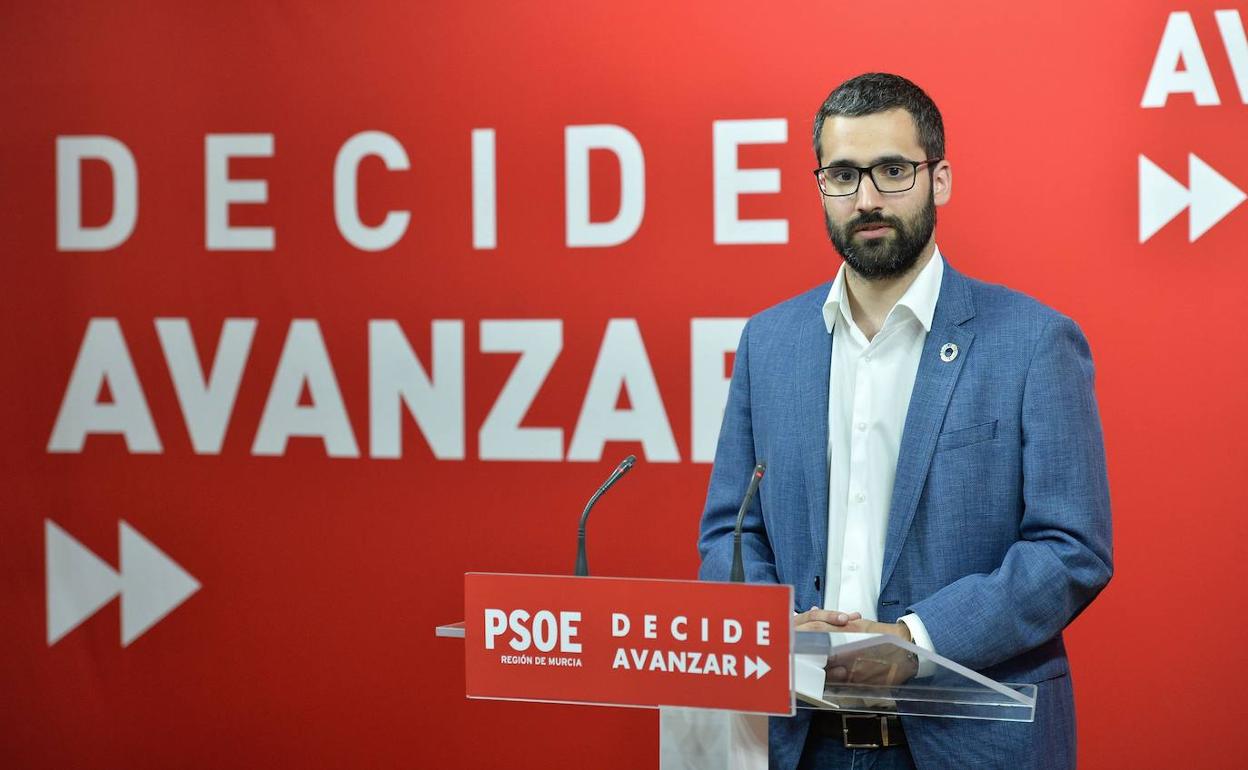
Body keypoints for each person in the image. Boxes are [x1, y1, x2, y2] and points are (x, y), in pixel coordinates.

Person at [696, 72, 1113, 770]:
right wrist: (778, 630)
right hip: (796, 743)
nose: (866, 199)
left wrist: (914, 642)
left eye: (892, 171)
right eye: (842, 174)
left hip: (968, 743)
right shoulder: (770, 343)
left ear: (939, 179)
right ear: (819, 184)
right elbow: (727, 535)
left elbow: (1072, 549)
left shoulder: (1034, 342)